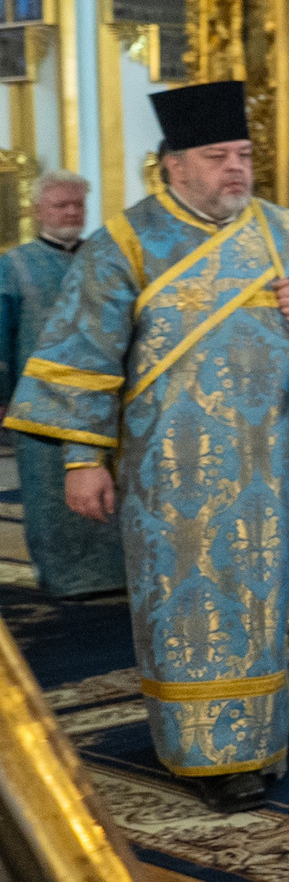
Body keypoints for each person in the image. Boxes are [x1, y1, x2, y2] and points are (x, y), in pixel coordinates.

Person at [3, 81, 289, 812]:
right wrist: (83, 459)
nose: (235, 168)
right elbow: (84, 350)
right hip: (167, 474)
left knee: (261, 606)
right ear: (173, 163)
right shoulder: (127, 243)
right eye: (216, 156)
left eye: (242, 154)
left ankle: (260, 737)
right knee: (186, 613)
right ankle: (205, 753)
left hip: (272, 464)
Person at [0, 173, 125, 598]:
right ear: (37, 211)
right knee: (50, 490)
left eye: (78, 205)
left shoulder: (106, 259)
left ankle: (113, 575)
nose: (71, 213)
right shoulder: (13, 265)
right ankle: (64, 578)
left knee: (108, 482)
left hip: (101, 398)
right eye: (60, 206)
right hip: (40, 402)